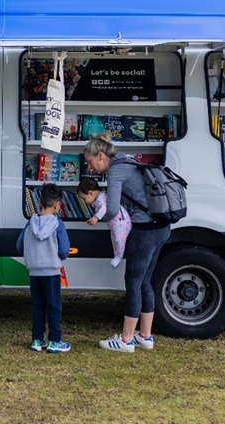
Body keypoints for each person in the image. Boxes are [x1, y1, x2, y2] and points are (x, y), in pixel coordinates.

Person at [82, 133, 171, 353]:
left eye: (90, 162)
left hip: (145, 232)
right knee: (145, 281)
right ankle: (145, 336)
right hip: (162, 228)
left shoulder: (115, 172)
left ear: (101, 155)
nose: (90, 167)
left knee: (133, 282)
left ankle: (126, 340)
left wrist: (97, 217)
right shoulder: (129, 160)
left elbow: (111, 209)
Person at [15, 182, 71, 353]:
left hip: (34, 272)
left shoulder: (29, 224)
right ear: (58, 205)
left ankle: (37, 340)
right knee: (54, 306)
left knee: (37, 306)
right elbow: (64, 249)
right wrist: (57, 257)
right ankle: (55, 341)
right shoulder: (58, 224)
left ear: (39, 203)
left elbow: (19, 246)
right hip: (51, 272)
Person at [77, 176, 132, 267]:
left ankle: (118, 256)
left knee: (118, 240)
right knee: (114, 239)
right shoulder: (100, 197)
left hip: (121, 222)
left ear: (90, 193)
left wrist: (96, 218)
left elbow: (104, 208)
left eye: (84, 198)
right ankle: (117, 255)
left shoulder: (101, 199)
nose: (84, 201)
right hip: (116, 223)